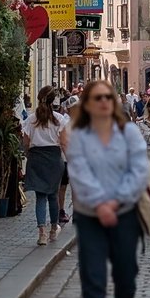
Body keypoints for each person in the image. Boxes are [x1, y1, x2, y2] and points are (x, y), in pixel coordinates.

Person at [66, 79, 150, 298]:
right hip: (90, 216)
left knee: (126, 272)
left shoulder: (128, 133)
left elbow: (139, 171)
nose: (104, 102)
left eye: (108, 97)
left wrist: (115, 202)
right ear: (87, 104)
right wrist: (100, 203)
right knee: (92, 275)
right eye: (97, 98)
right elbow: (78, 172)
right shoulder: (79, 136)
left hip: (124, 213)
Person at [21, 85, 69, 246]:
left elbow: (26, 142)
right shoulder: (59, 119)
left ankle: (41, 233)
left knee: (40, 197)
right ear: (53, 100)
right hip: (54, 159)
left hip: (36, 158)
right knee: (53, 196)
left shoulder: (31, 119)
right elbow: (63, 143)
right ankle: (53, 229)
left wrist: (29, 154)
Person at [57, 94, 81, 223]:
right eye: (74, 107)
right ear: (69, 109)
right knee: (62, 186)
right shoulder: (64, 122)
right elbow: (62, 142)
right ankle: (61, 210)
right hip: (65, 159)